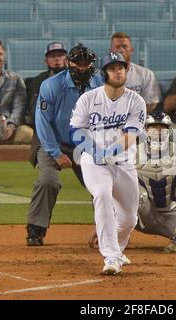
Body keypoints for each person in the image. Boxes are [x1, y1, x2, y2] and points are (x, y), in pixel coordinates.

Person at [88, 111, 176, 253]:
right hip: (142, 213)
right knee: (132, 191)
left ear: (169, 130)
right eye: (154, 127)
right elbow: (108, 186)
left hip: (173, 213)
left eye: (162, 127)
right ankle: (119, 232)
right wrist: (104, 224)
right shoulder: (130, 153)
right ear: (145, 130)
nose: (158, 131)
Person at [70, 52, 146, 275]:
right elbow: (75, 130)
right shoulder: (88, 99)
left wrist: (110, 152)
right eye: (112, 67)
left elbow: (131, 135)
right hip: (93, 162)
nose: (118, 70)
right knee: (102, 193)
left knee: (129, 218)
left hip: (123, 162)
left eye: (121, 67)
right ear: (104, 73)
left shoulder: (136, 101)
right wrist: (94, 151)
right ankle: (111, 257)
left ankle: (118, 251)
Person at [26, 44, 103, 246]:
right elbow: (42, 123)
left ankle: (108, 231)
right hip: (51, 140)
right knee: (48, 180)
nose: (84, 67)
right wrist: (56, 152)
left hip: (85, 143)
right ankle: (35, 230)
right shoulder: (51, 85)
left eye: (88, 63)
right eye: (79, 63)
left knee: (103, 185)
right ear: (70, 63)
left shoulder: (99, 83)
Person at [110, 32, 161, 113]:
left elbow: (151, 104)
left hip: (139, 119)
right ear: (111, 51)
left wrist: (134, 118)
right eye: (117, 47)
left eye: (125, 47)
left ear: (131, 50)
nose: (121, 50)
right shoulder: (101, 76)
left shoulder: (147, 75)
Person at [25, 42, 68, 128]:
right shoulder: (37, 81)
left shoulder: (76, 79)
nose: (57, 59)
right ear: (46, 61)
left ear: (66, 59)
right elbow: (34, 107)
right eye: (52, 56)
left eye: (60, 55)